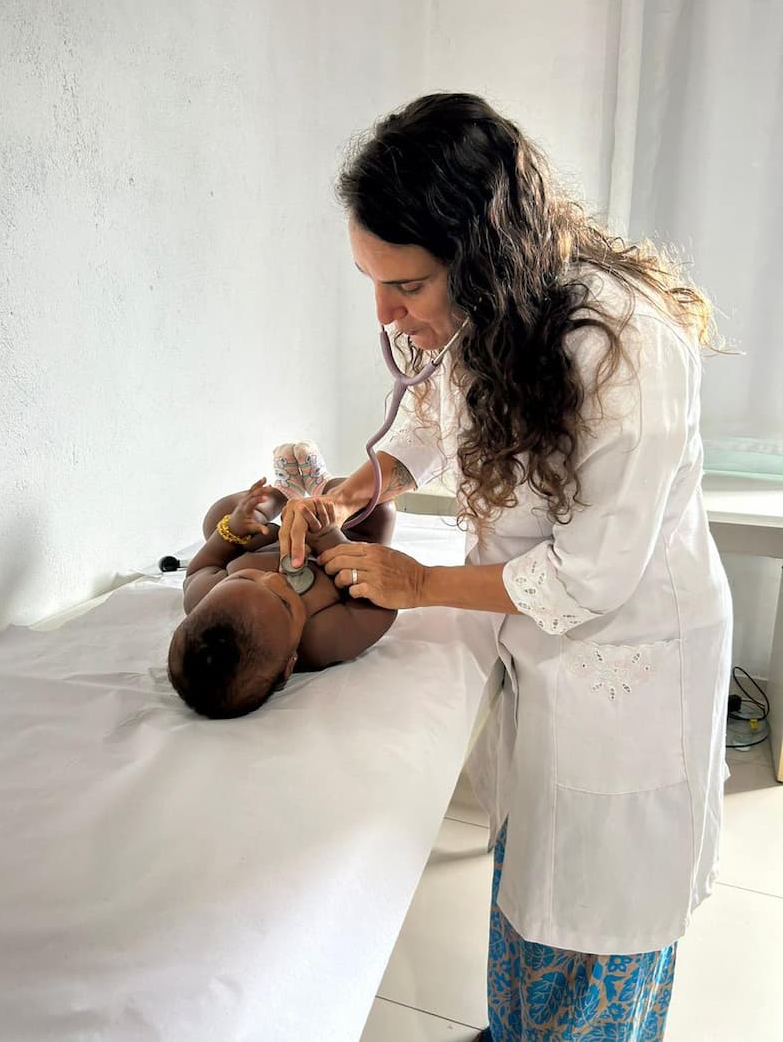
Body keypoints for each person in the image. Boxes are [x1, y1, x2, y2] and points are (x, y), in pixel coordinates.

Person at [278, 93, 732, 1040]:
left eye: (405, 284)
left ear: (481, 255)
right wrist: (363, 484)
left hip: (633, 658)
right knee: (530, 877)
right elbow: (439, 413)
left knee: (604, 908)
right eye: (372, 281)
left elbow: (590, 576)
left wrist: (420, 583)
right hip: (544, 654)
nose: (385, 311)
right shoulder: (488, 314)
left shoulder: (629, 351)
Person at [167, 443, 397, 719]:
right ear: (290, 664)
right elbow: (381, 608)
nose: (274, 576)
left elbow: (202, 566)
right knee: (380, 507)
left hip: (268, 538)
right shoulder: (322, 639)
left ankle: (283, 492)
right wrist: (329, 539)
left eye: (245, 578)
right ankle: (322, 486)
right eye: (284, 601)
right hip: (345, 542)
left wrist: (234, 529)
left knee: (220, 514)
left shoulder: (204, 597)